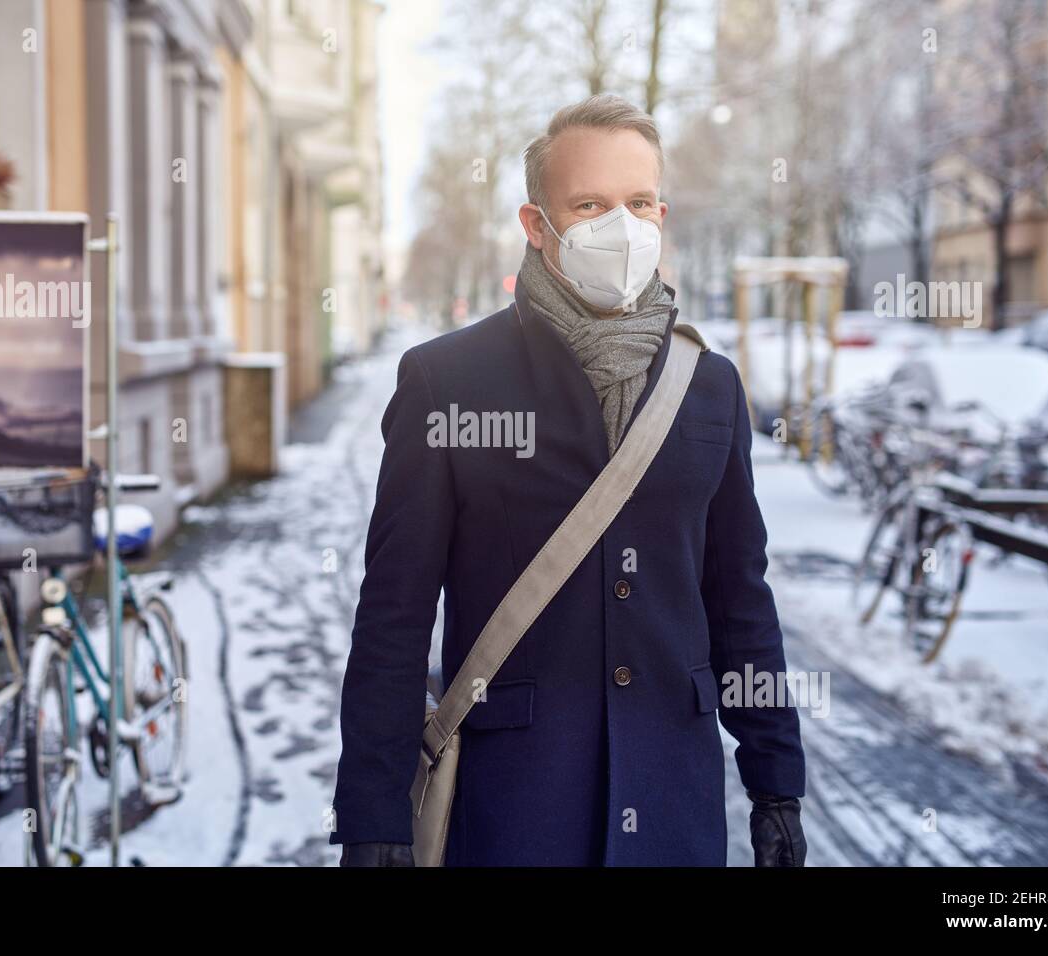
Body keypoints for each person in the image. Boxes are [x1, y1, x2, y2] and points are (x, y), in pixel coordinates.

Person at [331, 94, 807, 867]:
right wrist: (373, 812)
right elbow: (394, 612)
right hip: (513, 811)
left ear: (661, 213)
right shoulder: (445, 381)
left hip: (674, 811)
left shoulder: (709, 385)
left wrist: (776, 781)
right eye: (589, 205)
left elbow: (740, 598)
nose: (620, 227)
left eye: (639, 203)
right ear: (535, 224)